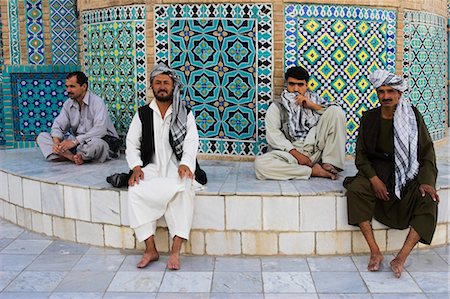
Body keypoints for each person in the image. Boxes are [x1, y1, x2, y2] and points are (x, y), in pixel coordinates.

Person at [344, 69, 439, 278]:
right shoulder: (368, 118)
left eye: (390, 91)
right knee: (356, 190)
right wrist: (374, 179)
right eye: (381, 91)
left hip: (405, 172)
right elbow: (360, 156)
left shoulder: (413, 117)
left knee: (428, 199)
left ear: (399, 94)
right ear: (377, 93)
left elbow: (426, 152)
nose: (386, 96)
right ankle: (375, 252)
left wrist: (426, 181)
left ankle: (401, 257)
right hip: (377, 171)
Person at [126, 63, 200, 270]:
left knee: (185, 190)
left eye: (166, 83)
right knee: (134, 192)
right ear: (151, 86)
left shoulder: (185, 112)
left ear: (173, 86)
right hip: (149, 167)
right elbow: (131, 144)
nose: (162, 86)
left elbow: (191, 141)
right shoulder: (142, 114)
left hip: (176, 166)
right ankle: (150, 248)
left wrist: (186, 163)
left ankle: (175, 251)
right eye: (157, 82)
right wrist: (135, 167)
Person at [255, 66, 346, 180]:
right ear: (286, 85)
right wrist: (297, 155)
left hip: (315, 151)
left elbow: (332, 114)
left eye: (300, 85)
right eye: (291, 84)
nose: (296, 89)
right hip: (292, 153)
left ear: (306, 85)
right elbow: (274, 135)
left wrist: (311, 105)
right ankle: (312, 171)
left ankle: (330, 164)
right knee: (261, 164)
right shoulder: (277, 106)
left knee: (336, 111)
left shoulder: (314, 100)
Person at [36, 71, 120, 165]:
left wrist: (75, 141)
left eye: (72, 86)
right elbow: (58, 126)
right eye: (67, 86)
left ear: (84, 87)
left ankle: (66, 156)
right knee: (42, 137)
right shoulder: (68, 104)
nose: (68, 90)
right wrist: (56, 143)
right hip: (78, 145)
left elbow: (100, 130)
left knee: (96, 144)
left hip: (101, 141)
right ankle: (73, 157)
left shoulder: (97, 102)